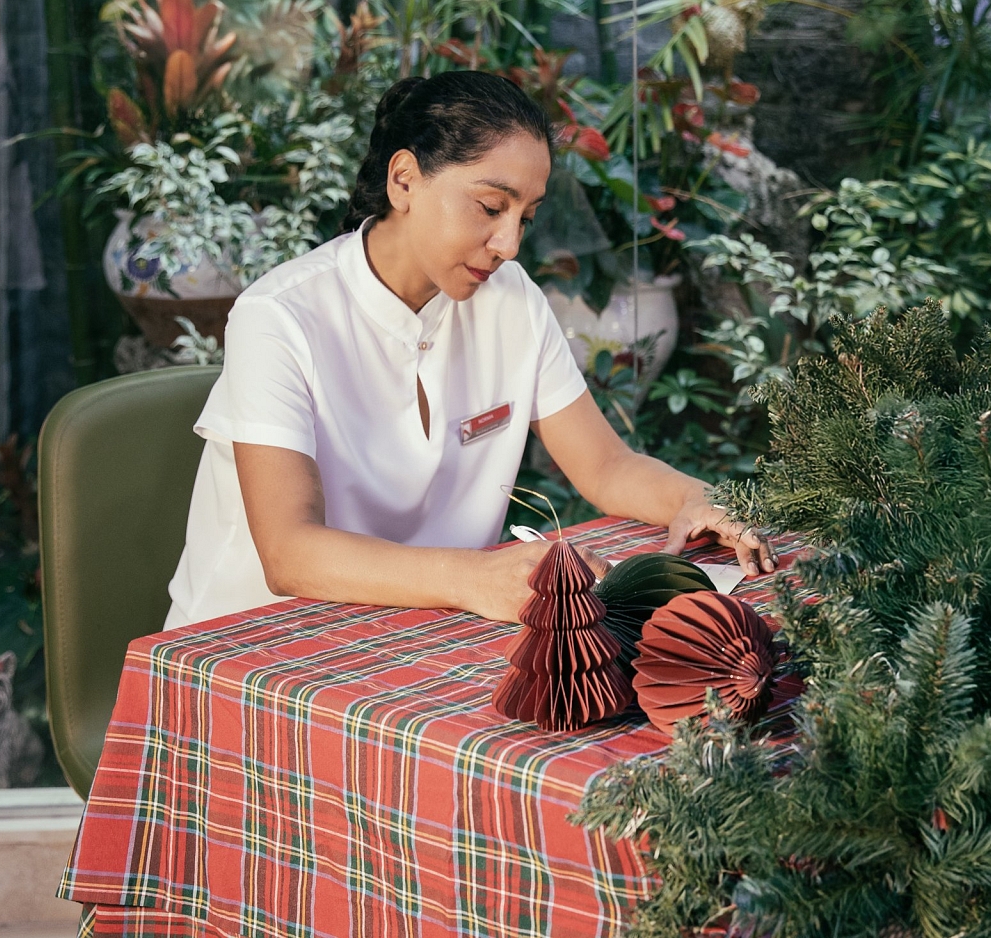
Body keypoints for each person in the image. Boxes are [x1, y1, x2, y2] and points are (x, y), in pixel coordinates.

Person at [162, 71, 774, 631]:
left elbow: (606, 467)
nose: (509, 243)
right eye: (489, 206)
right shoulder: (280, 317)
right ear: (404, 180)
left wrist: (696, 500)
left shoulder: (510, 299)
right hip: (252, 653)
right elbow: (291, 554)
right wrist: (478, 577)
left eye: (525, 218)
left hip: (425, 631)